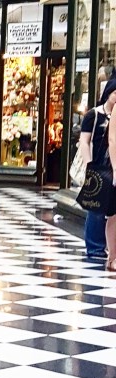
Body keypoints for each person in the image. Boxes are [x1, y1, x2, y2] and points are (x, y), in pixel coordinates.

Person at [80, 81, 116, 263]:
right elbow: (84, 141)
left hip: (113, 167)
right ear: (108, 93)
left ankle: (110, 248)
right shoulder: (94, 115)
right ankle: (95, 247)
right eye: (115, 93)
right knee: (96, 206)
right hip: (98, 166)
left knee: (111, 209)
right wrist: (89, 164)